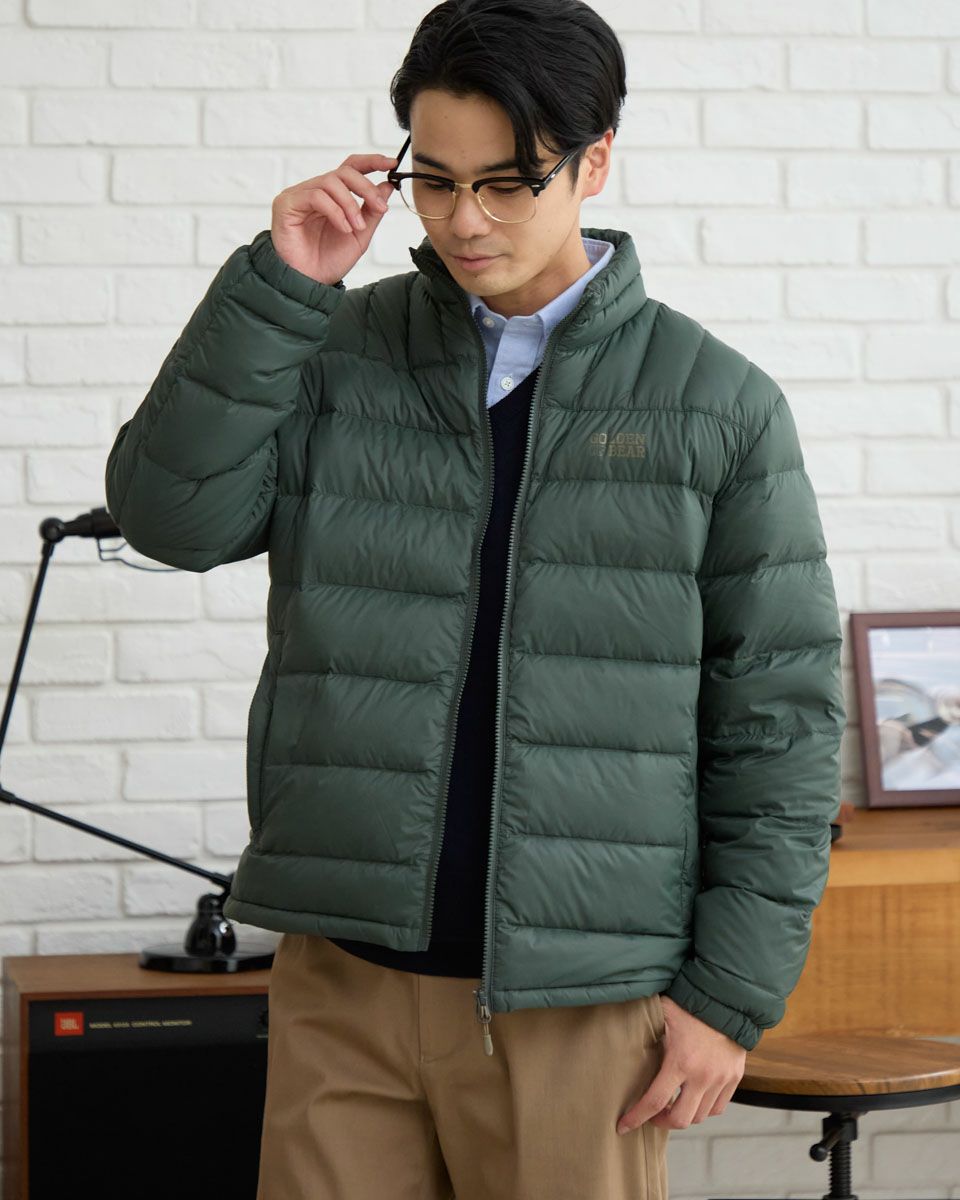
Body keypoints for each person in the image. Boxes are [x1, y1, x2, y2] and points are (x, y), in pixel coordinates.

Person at [103, 1, 847, 1197]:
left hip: (578, 1003)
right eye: (436, 182)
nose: (463, 221)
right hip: (344, 978)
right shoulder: (335, 354)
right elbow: (169, 520)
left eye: (507, 184)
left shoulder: (719, 407)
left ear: (594, 162)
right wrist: (282, 290)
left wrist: (729, 995)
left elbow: (780, 725)